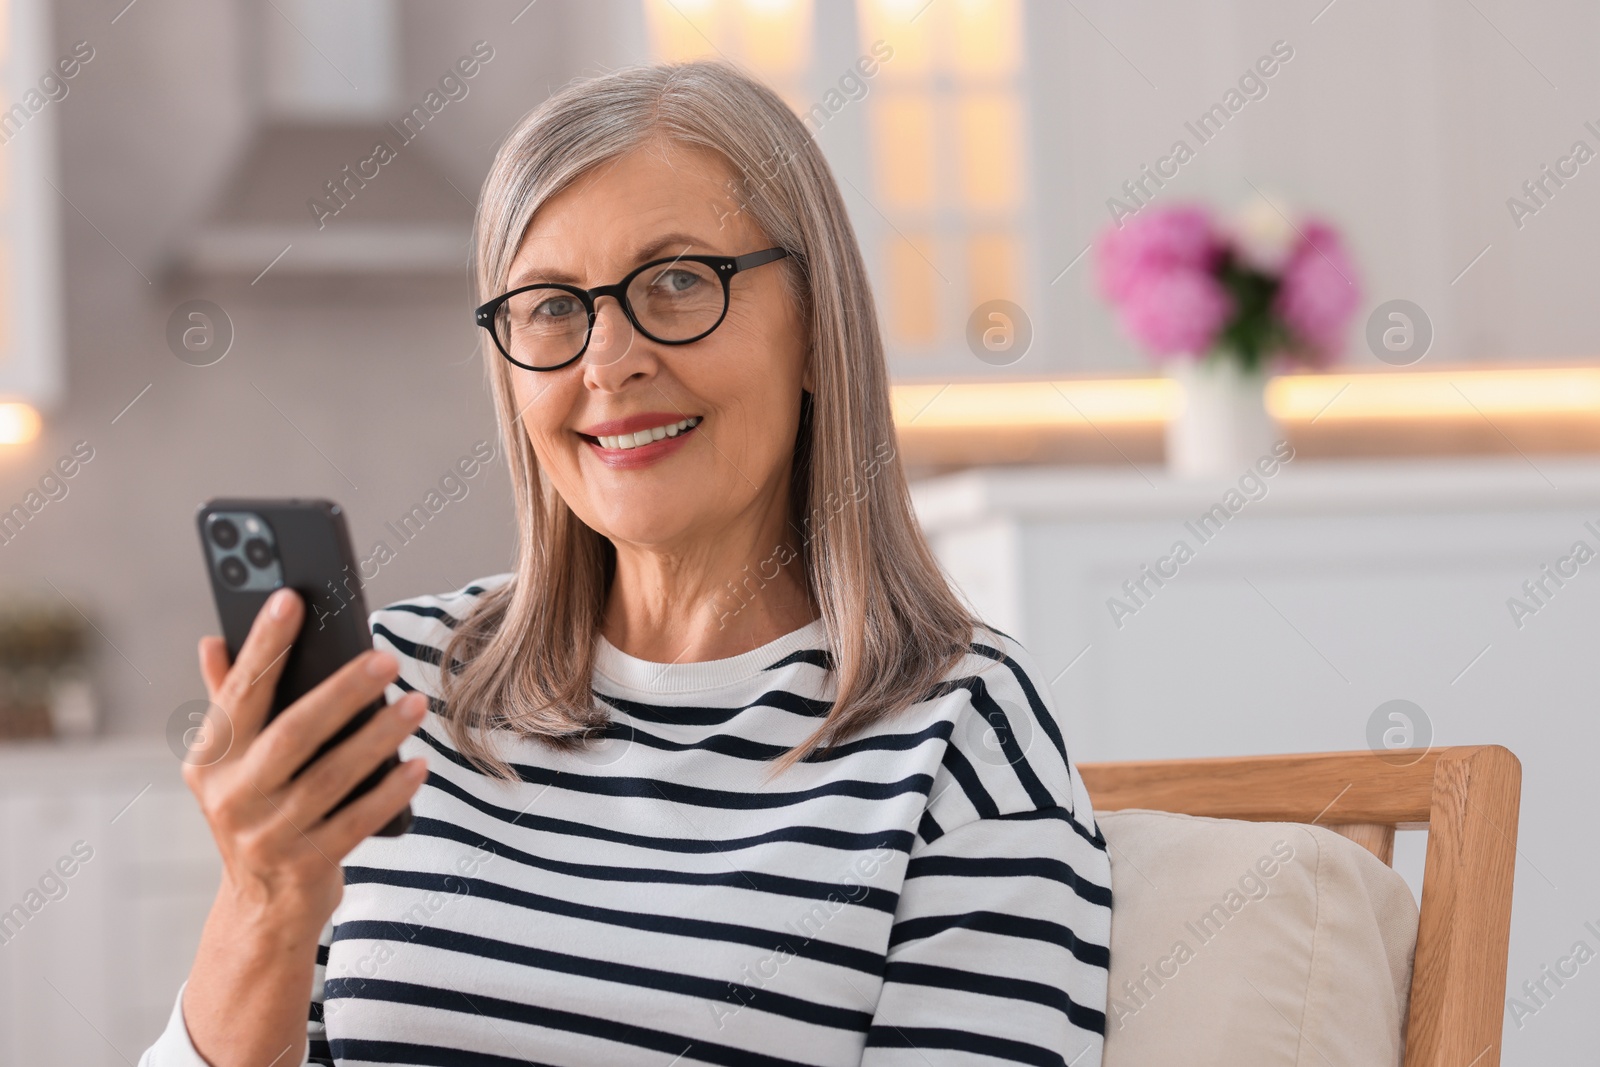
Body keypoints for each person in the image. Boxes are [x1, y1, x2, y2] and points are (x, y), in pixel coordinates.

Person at [141, 60, 1111, 1067]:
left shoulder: (959, 731)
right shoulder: (401, 685)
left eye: (679, 281)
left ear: (818, 328)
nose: (607, 361)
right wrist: (264, 901)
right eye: (552, 306)